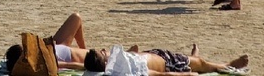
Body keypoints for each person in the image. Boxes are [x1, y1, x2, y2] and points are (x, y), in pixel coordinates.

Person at [83, 43, 249, 74]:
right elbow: (159, 74)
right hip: (169, 64)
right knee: (201, 65)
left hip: (157, 53)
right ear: (106, 63)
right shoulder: (127, 70)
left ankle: (193, 57)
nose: (105, 50)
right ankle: (227, 65)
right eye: (103, 53)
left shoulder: (120, 62)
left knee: (193, 62)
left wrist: (130, 52)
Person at [5, 12, 88, 73]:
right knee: (96, 54)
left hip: (53, 46)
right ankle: (87, 52)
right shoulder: (43, 63)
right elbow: (70, 65)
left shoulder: (37, 54)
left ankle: (84, 49)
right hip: (69, 55)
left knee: (75, 17)